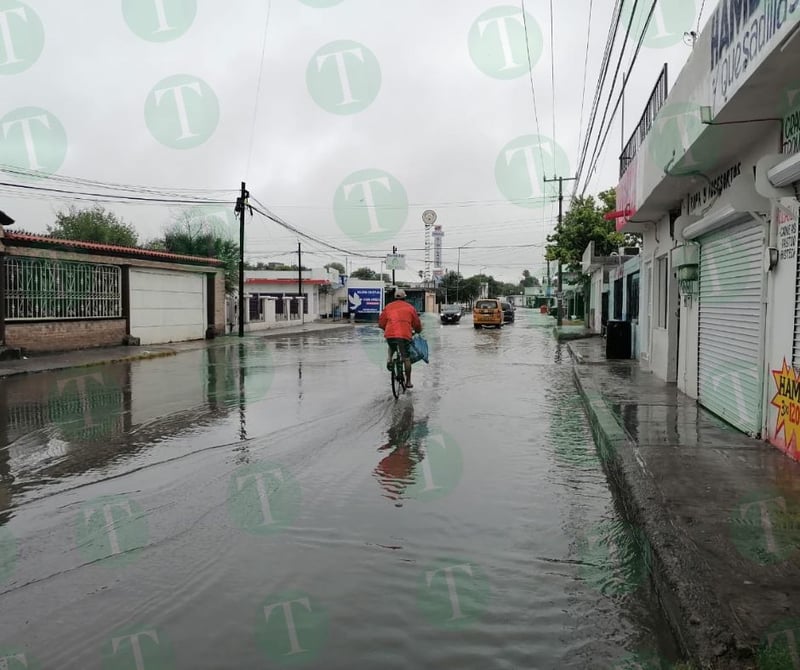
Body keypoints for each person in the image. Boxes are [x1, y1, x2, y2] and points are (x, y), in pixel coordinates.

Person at [378, 288, 422, 389]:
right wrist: (417, 331)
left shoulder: (388, 307)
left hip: (390, 335)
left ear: (394, 297)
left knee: (392, 345)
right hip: (404, 336)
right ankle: (408, 382)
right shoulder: (410, 308)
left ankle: (389, 359)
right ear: (405, 298)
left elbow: (381, 323)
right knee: (406, 358)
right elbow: (417, 324)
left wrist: (386, 329)